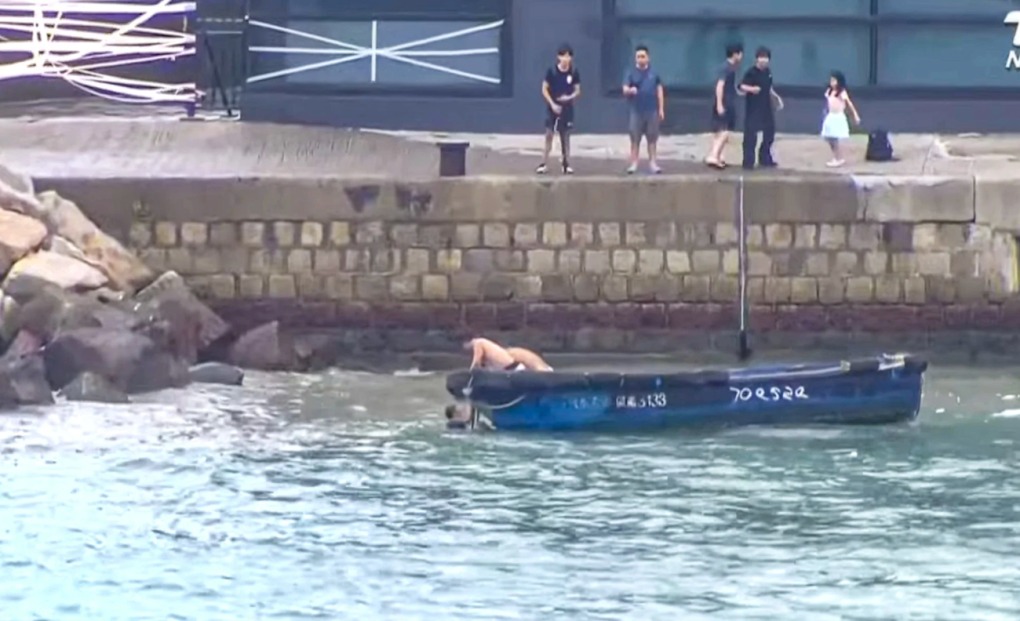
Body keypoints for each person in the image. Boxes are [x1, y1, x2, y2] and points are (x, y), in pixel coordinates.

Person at [537, 43, 581, 175]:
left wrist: (568, 97)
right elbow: (544, 89)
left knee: (565, 136)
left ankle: (566, 164)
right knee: (549, 135)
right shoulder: (552, 71)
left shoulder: (574, 72)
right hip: (553, 107)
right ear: (558, 57)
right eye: (563, 56)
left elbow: (578, 91)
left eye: (568, 56)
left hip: (567, 108)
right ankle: (544, 163)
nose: (566, 59)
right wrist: (552, 104)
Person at [622, 44, 665, 175]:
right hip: (636, 111)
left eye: (643, 56)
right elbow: (624, 88)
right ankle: (634, 163)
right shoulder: (630, 72)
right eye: (638, 57)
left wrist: (661, 109)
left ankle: (653, 163)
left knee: (652, 139)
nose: (640, 59)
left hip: (652, 111)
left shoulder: (654, 73)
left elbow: (659, 91)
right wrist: (630, 90)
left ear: (648, 58)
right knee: (635, 138)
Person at [739, 46, 784, 170]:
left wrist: (776, 98)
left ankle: (765, 158)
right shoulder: (751, 72)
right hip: (753, 108)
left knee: (769, 132)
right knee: (751, 135)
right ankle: (748, 162)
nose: (763, 60)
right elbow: (741, 86)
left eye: (766, 58)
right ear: (757, 59)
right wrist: (752, 89)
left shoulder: (768, 72)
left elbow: (769, 88)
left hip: (766, 106)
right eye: (761, 58)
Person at [705, 43, 744, 170]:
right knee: (724, 131)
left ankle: (719, 156)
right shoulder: (727, 68)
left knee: (719, 131)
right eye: (740, 54)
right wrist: (720, 104)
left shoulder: (730, 68)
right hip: (725, 103)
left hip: (726, 101)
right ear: (735, 54)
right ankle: (713, 155)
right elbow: (720, 86)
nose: (741, 56)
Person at [821, 70, 861, 168]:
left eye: (834, 80)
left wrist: (855, 115)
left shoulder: (842, 92)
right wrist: (825, 113)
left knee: (835, 138)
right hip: (831, 116)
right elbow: (827, 104)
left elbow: (849, 104)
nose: (832, 82)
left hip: (838, 116)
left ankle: (838, 158)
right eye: (831, 80)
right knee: (829, 137)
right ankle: (836, 156)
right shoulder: (829, 92)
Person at [465, 337, 553, 372]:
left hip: (539, 369)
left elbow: (476, 362)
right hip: (523, 367)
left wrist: (470, 372)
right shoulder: (500, 353)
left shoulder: (478, 343)